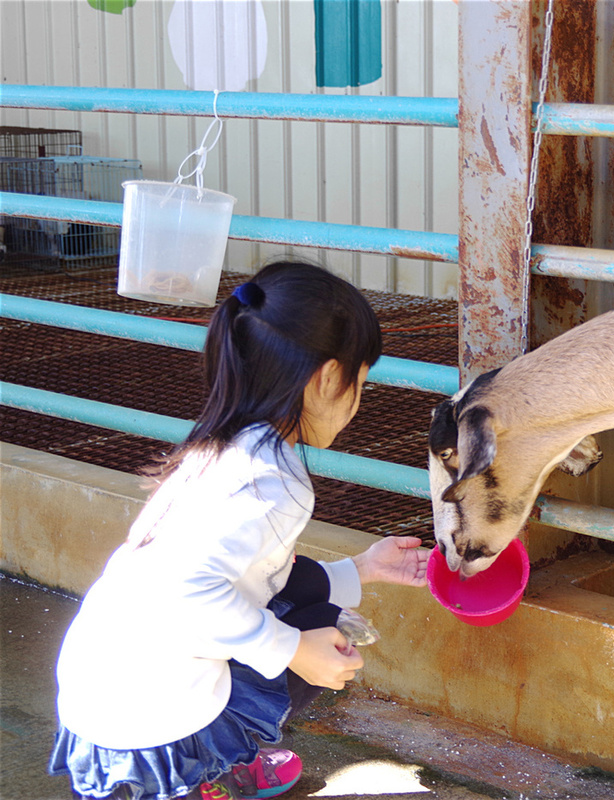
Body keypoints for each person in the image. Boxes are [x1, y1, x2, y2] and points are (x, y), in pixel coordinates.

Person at [48, 261, 430, 800]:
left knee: (316, 615)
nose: (358, 401)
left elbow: (261, 578)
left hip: (101, 683)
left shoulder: (222, 447)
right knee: (314, 637)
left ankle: (226, 757)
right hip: (149, 722)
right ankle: (206, 773)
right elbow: (188, 591)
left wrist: (364, 569)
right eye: (358, 382)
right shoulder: (271, 482)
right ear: (325, 379)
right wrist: (293, 650)